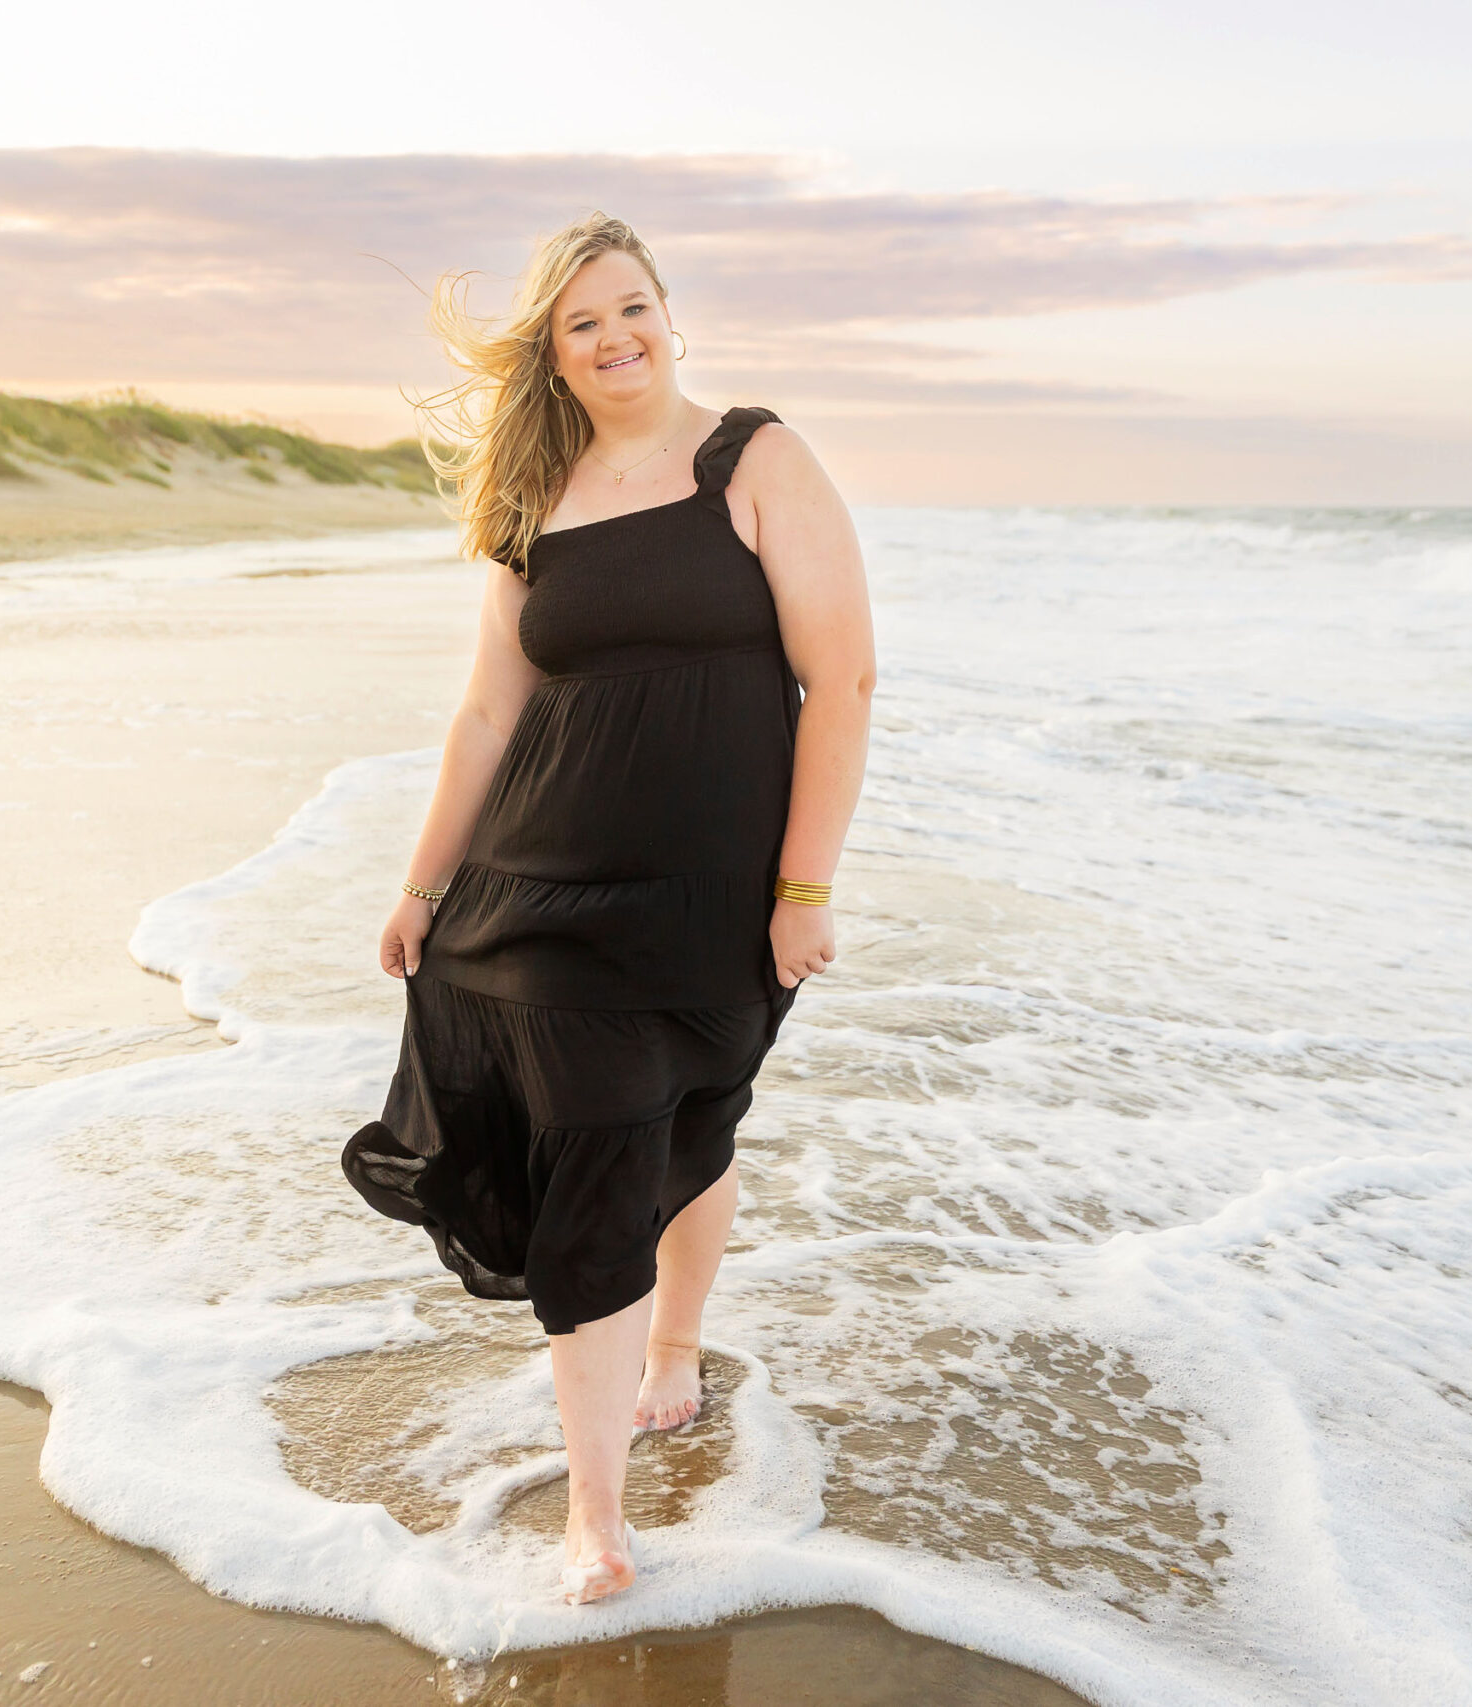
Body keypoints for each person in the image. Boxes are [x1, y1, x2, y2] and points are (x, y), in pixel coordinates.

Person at [339, 211, 875, 1605]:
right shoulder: (534, 499)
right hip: (537, 900)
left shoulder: (753, 459)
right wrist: (421, 884)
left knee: (686, 1129)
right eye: (585, 321)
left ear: (669, 314)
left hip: (709, 902)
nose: (616, 334)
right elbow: (485, 712)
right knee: (595, 1162)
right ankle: (597, 1514)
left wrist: (804, 887)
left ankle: (679, 1345)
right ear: (555, 353)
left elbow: (845, 682)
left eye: (633, 306)